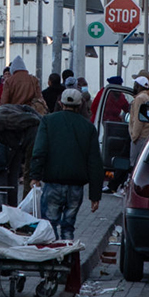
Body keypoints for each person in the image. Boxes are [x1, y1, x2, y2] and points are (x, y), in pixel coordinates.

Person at [31, 87, 104, 241]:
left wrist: (35, 176)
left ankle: (53, 259)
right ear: (80, 105)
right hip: (76, 188)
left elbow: (39, 151)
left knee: (49, 226)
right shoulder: (88, 127)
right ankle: (68, 258)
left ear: (60, 103)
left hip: (53, 184)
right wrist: (95, 195)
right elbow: (94, 162)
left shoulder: (48, 121)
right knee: (68, 226)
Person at [129, 75, 149, 153]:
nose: (134, 87)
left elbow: (138, 120)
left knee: (134, 162)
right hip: (145, 135)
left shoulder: (139, 99)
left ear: (139, 86)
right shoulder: (147, 97)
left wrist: (134, 137)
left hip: (140, 137)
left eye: (136, 85)